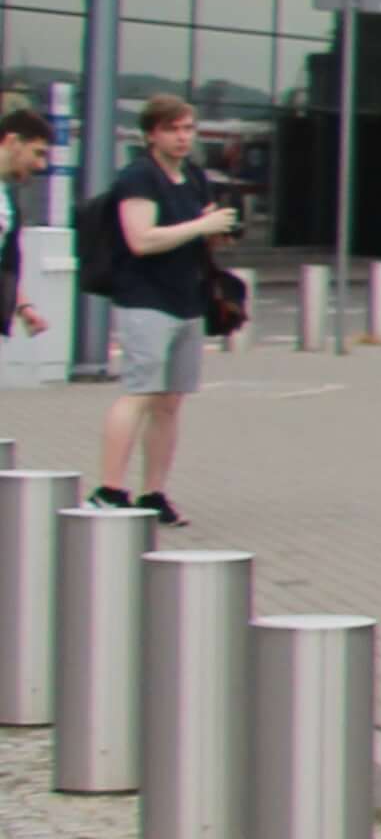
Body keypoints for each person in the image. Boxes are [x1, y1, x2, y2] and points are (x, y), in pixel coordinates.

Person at [92, 94, 235, 520]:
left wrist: (217, 231)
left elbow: (198, 231)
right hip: (145, 298)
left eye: (188, 128)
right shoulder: (139, 178)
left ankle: (153, 492)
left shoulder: (192, 177)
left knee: (171, 400)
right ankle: (109, 489)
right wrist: (200, 225)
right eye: (172, 129)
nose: (182, 137)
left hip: (185, 298)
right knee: (140, 391)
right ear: (151, 134)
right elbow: (141, 238)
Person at [0, 102, 48, 343]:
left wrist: (22, 305)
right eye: (37, 153)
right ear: (13, 142)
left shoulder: (7, 201)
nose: (41, 165)